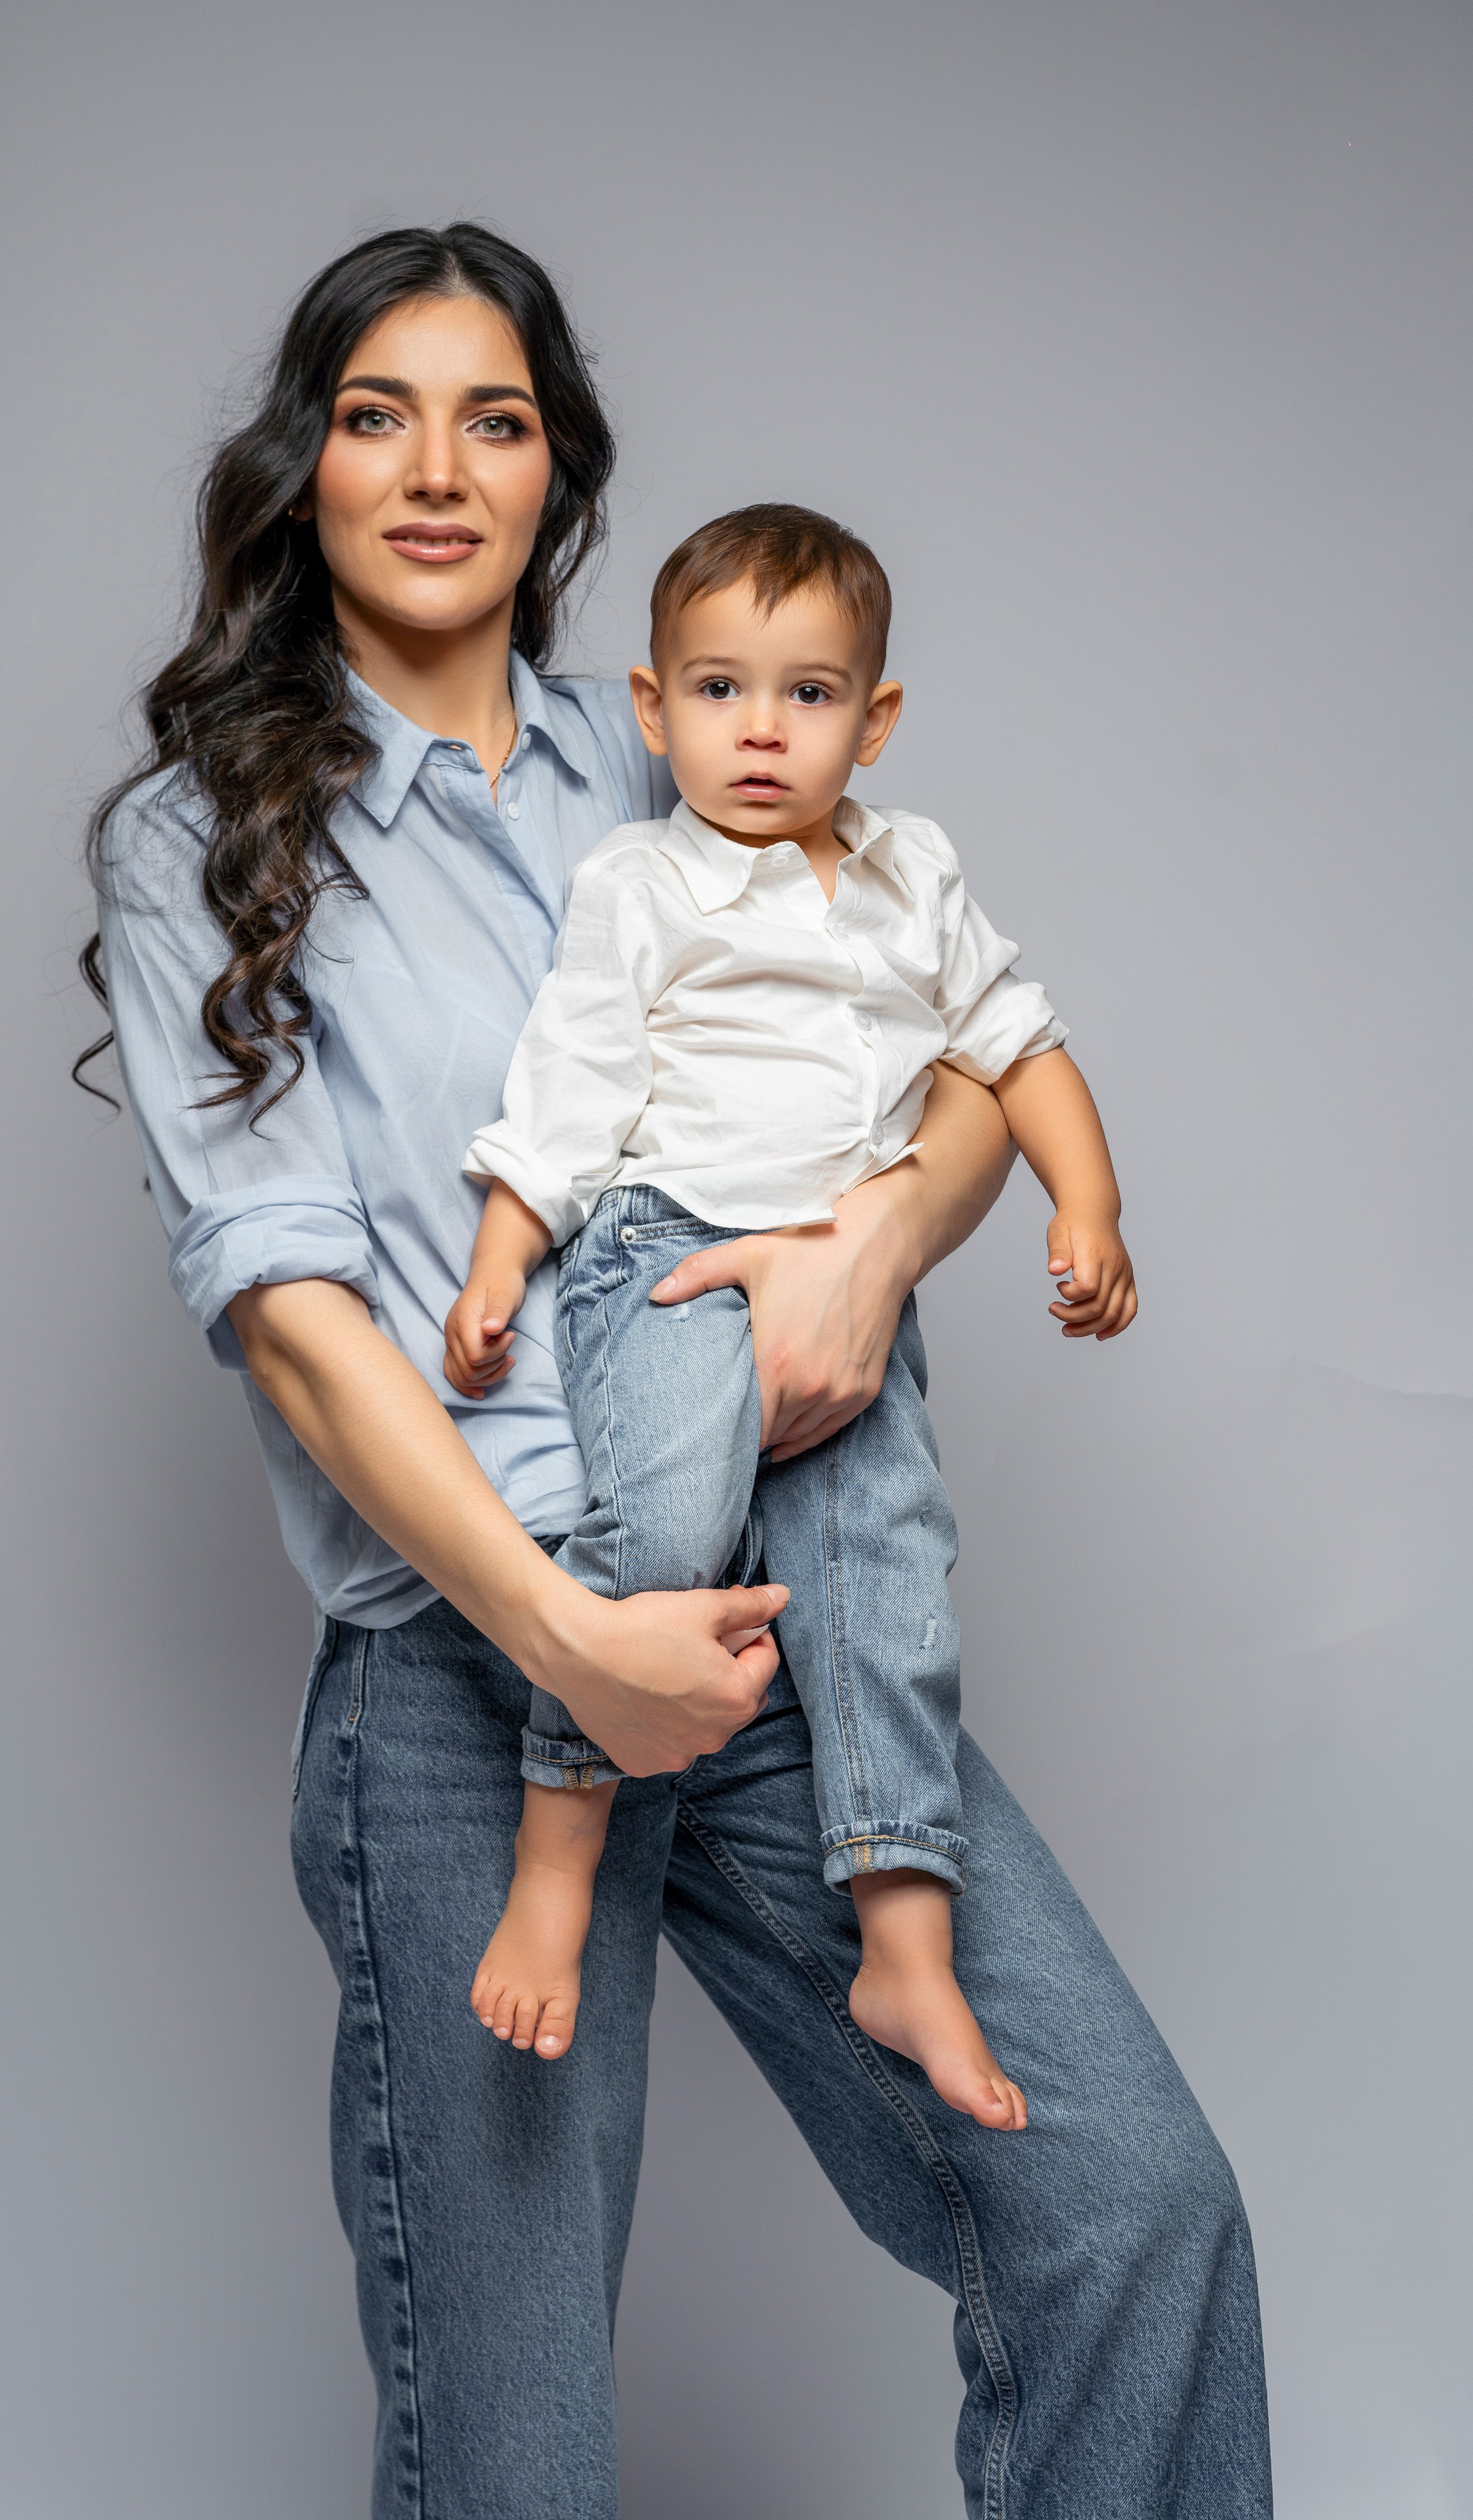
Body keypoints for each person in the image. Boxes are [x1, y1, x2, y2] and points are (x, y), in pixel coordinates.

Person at [83, 221, 1271, 2519]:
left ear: (558, 480)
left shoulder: (694, 752)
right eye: (376, 413)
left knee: (1128, 2211)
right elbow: (304, 1332)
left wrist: (877, 1250)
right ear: (301, 466)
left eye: (498, 418)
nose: (440, 471)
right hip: (470, 1664)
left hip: (770, 1612)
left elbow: (953, 1063)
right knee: (517, 2453)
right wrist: (565, 1644)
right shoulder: (200, 851)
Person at [447, 502, 1136, 2123]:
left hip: (846, 1285)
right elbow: (569, 1083)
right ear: (649, 706)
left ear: (872, 719)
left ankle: (904, 1948)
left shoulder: (914, 876)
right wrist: (501, 1253)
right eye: (715, 690)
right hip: (668, 1253)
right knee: (668, 1528)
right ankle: (558, 1853)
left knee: (884, 1590)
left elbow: (1018, 1046)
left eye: (808, 695)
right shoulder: (641, 879)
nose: (759, 730)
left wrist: (1085, 1204)